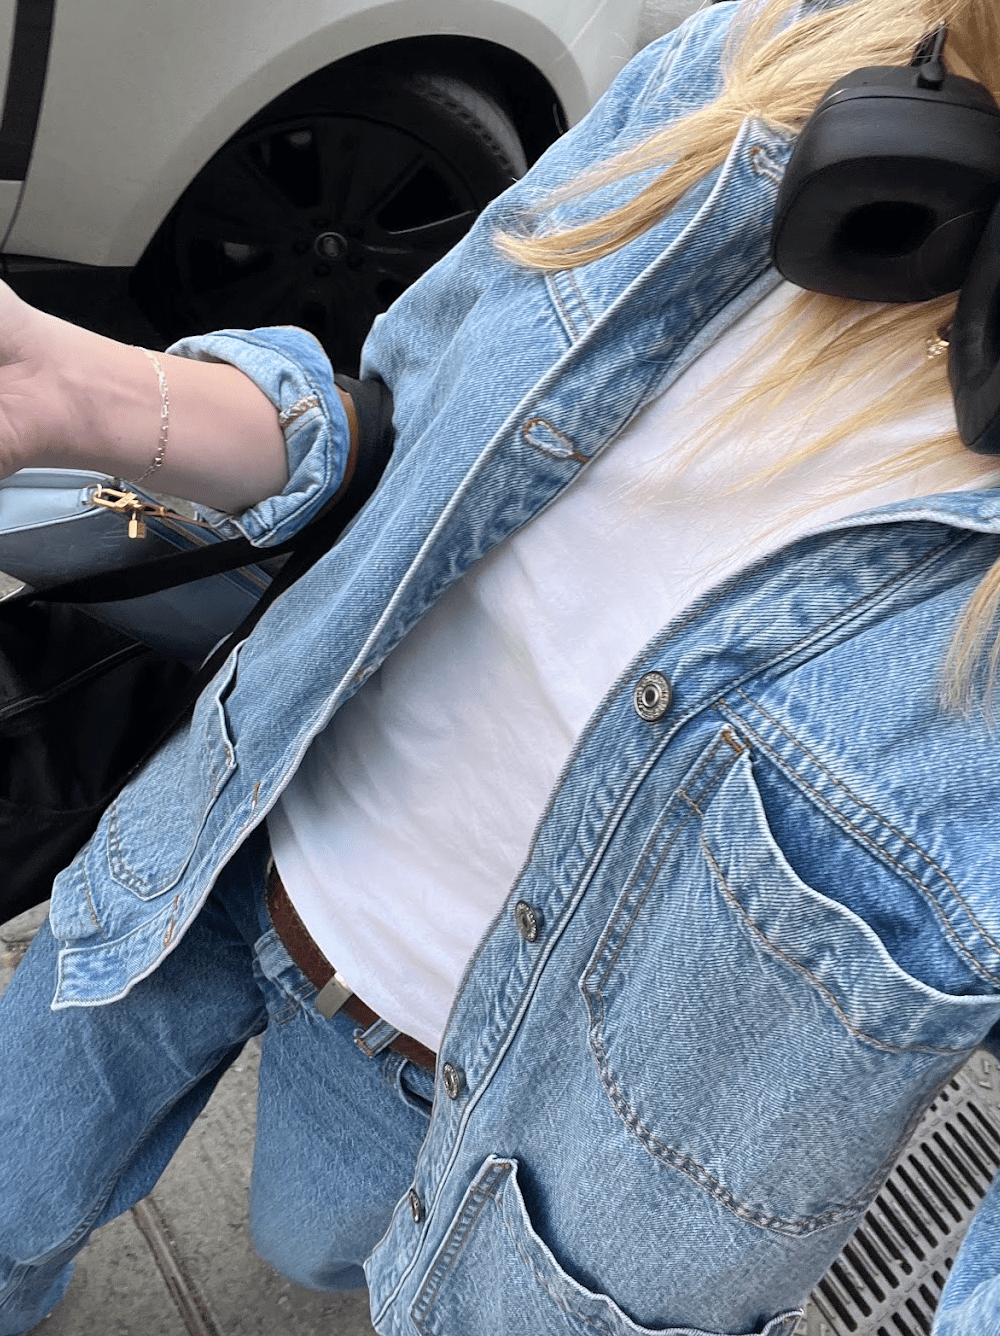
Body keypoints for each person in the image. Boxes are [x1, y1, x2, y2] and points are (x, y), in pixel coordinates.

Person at [2, 0, 1000, 1332]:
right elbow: (396, 426)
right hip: (223, 838)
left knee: (306, 1243)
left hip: (473, 1114)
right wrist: (78, 396)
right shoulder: (760, 67)